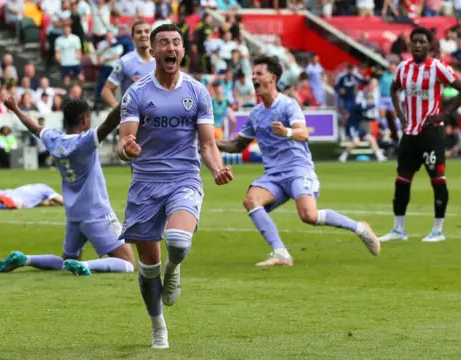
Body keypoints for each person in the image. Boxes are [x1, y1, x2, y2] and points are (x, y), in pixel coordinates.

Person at [117, 24, 233, 349]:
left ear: (183, 52)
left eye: (177, 43)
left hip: (184, 178)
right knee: (148, 266)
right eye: (164, 42)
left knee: (179, 241)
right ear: (153, 52)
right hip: (145, 184)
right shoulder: (137, 93)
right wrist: (128, 147)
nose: (171, 47)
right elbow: (124, 140)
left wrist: (217, 169)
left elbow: (208, 144)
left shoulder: (197, 92)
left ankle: (175, 267)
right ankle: (158, 327)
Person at [217, 55, 381, 267]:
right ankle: (281, 253)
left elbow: (303, 134)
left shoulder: (288, 105)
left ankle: (360, 228)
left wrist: (286, 132)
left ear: (272, 78)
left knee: (309, 216)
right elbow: (238, 145)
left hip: (297, 169)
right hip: (274, 175)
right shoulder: (256, 114)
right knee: (251, 201)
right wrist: (210, 143)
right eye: (253, 74)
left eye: (259, 74)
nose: (253, 78)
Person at [0, 97, 136, 276]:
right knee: (129, 263)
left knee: (66, 261)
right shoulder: (83, 142)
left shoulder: (54, 140)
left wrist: (15, 109)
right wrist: (129, 99)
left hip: (73, 215)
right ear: (85, 119)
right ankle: (87, 265)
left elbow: (34, 127)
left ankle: (26, 259)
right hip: (96, 213)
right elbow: (109, 123)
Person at [379, 27, 461, 243]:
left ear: (429, 46)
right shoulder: (403, 68)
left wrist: (444, 114)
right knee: (402, 181)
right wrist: (400, 114)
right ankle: (398, 229)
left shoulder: (437, 67)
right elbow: (394, 89)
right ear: (409, 45)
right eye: (414, 42)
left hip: (430, 133)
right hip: (410, 134)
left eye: (422, 42)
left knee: (437, 180)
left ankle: (438, 230)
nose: (418, 45)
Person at [101, 21, 155, 107]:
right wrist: (118, 109)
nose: (143, 35)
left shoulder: (161, 60)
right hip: (134, 117)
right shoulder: (125, 61)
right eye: (139, 32)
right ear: (132, 37)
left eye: (147, 31)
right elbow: (106, 90)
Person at [338, 78, 387, 162]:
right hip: (353, 124)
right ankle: (343, 155)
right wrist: (371, 105)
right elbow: (360, 107)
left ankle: (379, 156)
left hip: (360, 123)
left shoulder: (374, 94)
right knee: (356, 141)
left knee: (371, 139)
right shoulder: (361, 95)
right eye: (372, 84)